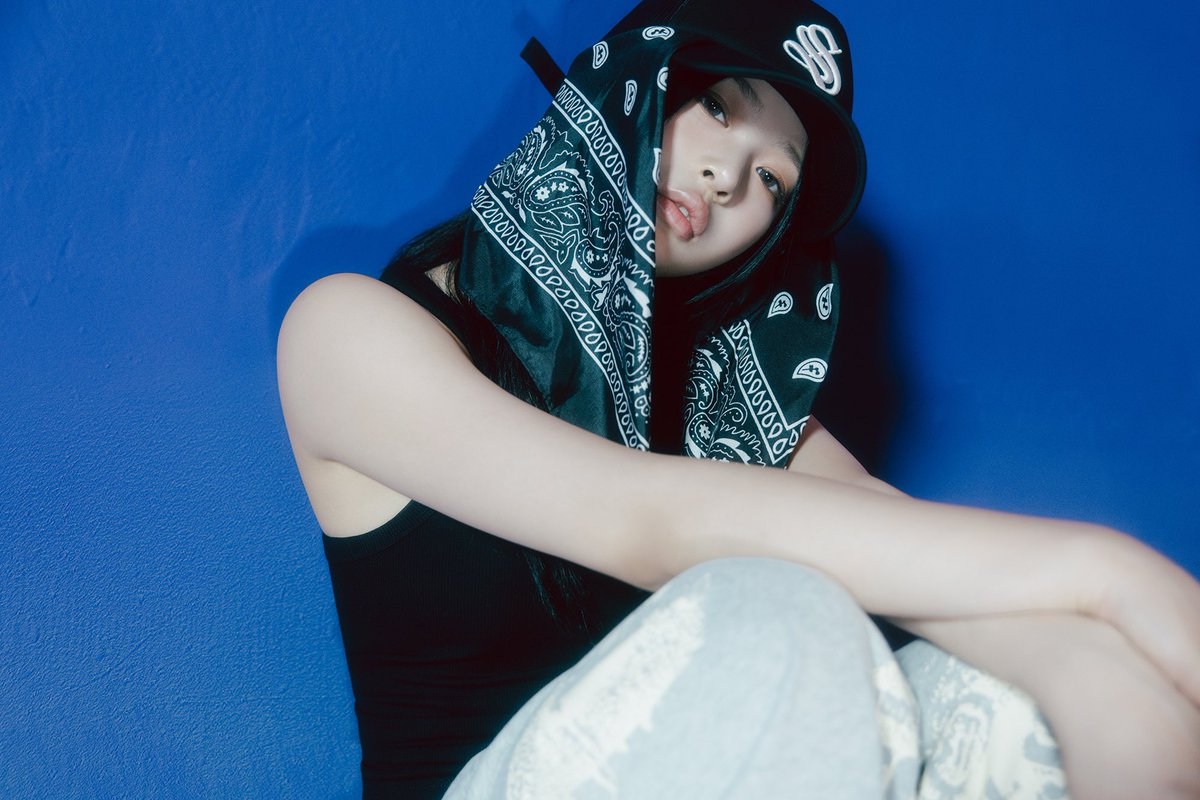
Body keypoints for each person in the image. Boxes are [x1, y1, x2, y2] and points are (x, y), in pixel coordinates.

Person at [277, 0, 1200, 797]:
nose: (728, 177)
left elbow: (886, 532)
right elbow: (642, 519)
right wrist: (1110, 576)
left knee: (1003, 696)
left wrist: (1087, 675)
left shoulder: (732, 399)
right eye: (717, 106)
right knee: (781, 611)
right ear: (625, 81)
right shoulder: (347, 331)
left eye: (771, 178)